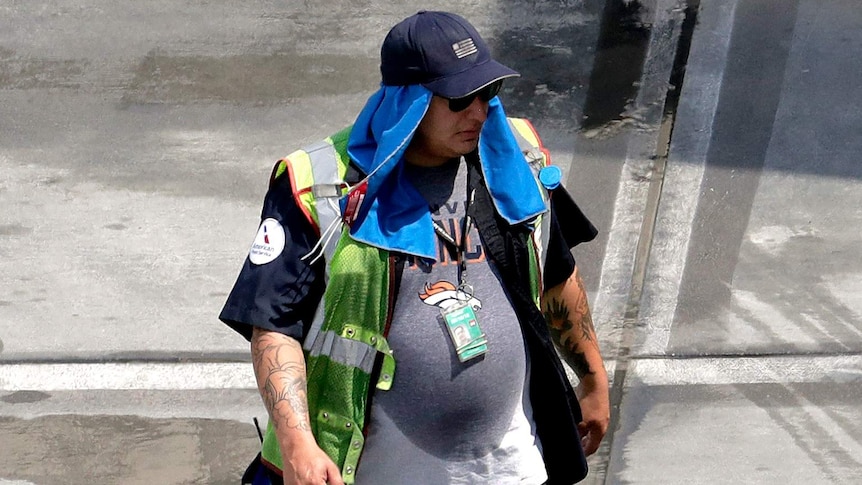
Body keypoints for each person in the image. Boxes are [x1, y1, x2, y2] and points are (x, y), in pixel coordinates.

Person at [220, 10, 610, 485]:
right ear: (411, 102)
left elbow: (556, 274)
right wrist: (299, 443)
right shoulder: (321, 184)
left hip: (512, 469)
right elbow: (273, 327)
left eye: (489, 92)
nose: (480, 112)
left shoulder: (516, 156)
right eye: (461, 98)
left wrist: (592, 380)